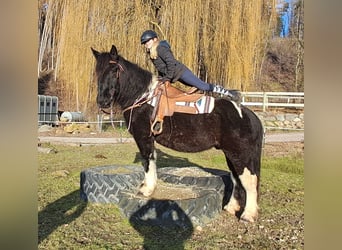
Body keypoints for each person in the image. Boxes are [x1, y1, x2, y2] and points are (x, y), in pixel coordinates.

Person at [140, 30, 241, 103]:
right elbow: (161, 68)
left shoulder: (161, 48)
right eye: (145, 43)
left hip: (181, 72)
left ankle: (229, 93)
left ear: (155, 39)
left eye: (148, 41)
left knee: (202, 86)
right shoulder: (152, 53)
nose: (146, 44)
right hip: (173, 76)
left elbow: (170, 62)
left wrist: (168, 78)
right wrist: (162, 78)